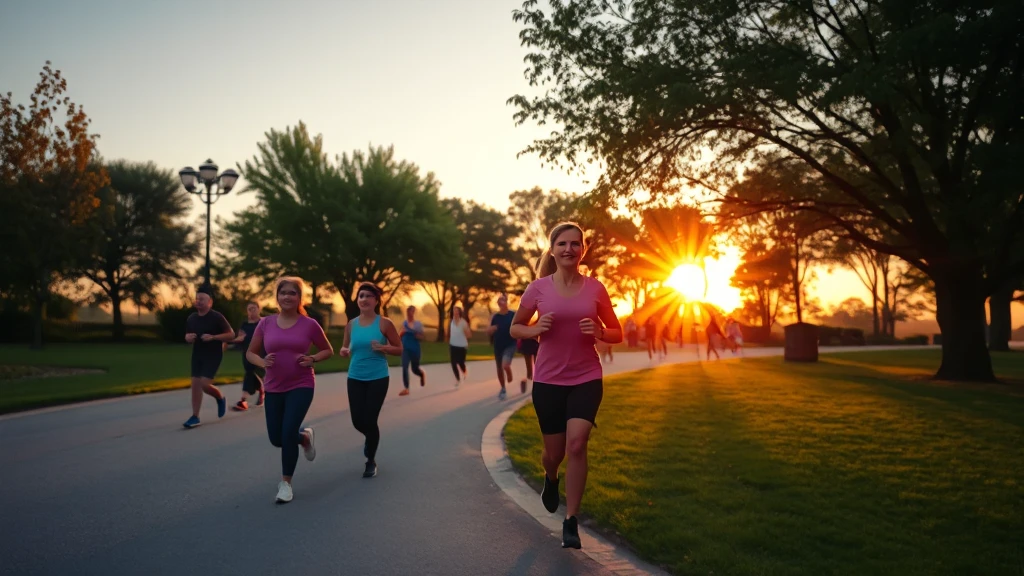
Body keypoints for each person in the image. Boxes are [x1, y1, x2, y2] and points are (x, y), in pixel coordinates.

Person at [510, 222, 622, 550]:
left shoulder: (596, 289)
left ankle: (571, 520)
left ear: (583, 250)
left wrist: (600, 332)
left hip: (586, 377)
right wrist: (535, 329)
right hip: (548, 381)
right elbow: (516, 328)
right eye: (562, 243)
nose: (569, 249)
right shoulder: (538, 289)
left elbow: (617, 332)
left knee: (576, 444)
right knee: (554, 454)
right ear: (553, 249)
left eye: (575, 244)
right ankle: (551, 477)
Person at [246, 277, 333, 504]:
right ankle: (303, 438)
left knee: (286, 433)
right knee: (276, 438)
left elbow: (327, 350)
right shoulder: (265, 323)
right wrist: (262, 361)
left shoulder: (309, 324)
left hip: (301, 384)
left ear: (299, 298)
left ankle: (286, 484)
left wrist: (313, 358)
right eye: (283, 292)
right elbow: (250, 353)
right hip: (274, 386)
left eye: (292, 293)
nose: (287, 296)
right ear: (277, 297)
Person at [339, 282, 402, 478]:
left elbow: (399, 349)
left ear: (376, 301)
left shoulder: (384, 323)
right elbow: (345, 348)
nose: (364, 299)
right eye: (361, 296)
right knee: (358, 421)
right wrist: (344, 351)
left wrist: (384, 348)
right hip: (355, 377)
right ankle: (372, 437)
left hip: (378, 377)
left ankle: (370, 460)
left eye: (368, 296)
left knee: (370, 419)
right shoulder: (351, 324)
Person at [182, 286, 234, 429]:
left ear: (210, 302)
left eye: (202, 299)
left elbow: (231, 334)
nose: (199, 301)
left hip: (213, 355)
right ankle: (195, 416)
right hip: (197, 354)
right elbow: (187, 335)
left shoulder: (217, 317)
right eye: (197, 299)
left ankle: (220, 397)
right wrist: (188, 338)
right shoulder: (192, 318)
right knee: (195, 385)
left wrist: (213, 337)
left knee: (204, 384)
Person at [232, 301, 265, 411]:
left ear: (259, 309)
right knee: (251, 374)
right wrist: (236, 340)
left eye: (254, 308)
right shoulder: (244, 325)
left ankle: (243, 400)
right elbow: (240, 338)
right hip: (247, 353)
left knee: (255, 374)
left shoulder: (263, 323)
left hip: (261, 353)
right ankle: (260, 392)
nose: (251, 311)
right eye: (249, 309)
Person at [487, 293, 518, 400]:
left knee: (505, 365)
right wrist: (492, 329)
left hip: (510, 344)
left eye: (503, 300)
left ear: (506, 302)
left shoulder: (513, 315)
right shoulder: (495, 316)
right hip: (498, 345)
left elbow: (519, 325)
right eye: (499, 301)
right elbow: (488, 331)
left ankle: (508, 373)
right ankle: (503, 388)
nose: (501, 302)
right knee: (499, 368)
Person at [398, 305, 426, 396]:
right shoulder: (404, 324)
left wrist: (417, 335)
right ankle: (406, 388)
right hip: (405, 349)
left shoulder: (418, 324)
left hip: (415, 349)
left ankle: (421, 374)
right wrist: (402, 333)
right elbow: (399, 335)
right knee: (404, 366)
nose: (410, 314)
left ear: (414, 313)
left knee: (414, 369)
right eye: (409, 312)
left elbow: (422, 337)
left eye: (412, 312)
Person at [448, 306, 472, 387]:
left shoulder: (463, 322)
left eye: (457, 311)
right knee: (453, 362)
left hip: (462, 345)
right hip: (453, 345)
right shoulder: (451, 321)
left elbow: (469, 335)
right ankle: (458, 379)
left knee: (461, 362)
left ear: (459, 313)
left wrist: (466, 333)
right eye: (454, 311)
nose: (455, 312)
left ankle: (465, 372)